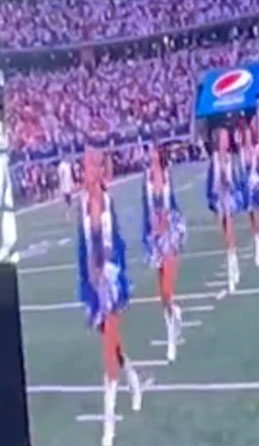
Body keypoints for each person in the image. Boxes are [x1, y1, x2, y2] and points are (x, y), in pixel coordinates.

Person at [76, 148, 142, 446]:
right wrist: (87, 282)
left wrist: (114, 274)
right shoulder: (80, 205)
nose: (88, 171)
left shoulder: (107, 201)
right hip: (93, 285)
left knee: (107, 351)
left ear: (100, 171)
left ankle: (108, 426)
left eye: (92, 166)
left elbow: (116, 243)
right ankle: (133, 379)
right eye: (85, 166)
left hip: (111, 282)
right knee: (113, 346)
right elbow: (82, 249)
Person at [141, 143, 186, 362]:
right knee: (163, 297)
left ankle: (171, 342)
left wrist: (176, 224)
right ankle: (174, 315)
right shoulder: (146, 179)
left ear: (159, 155)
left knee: (168, 290)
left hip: (170, 235)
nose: (149, 155)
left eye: (152, 151)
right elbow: (144, 210)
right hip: (154, 239)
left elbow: (174, 204)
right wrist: (146, 238)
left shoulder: (167, 177)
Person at [206, 127, 243, 292]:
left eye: (227, 138)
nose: (226, 141)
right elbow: (210, 180)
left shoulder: (230, 158)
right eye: (223, 138)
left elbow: (235, 179)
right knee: (224, 232)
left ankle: (232, 265)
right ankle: (232, 256)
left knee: (229, 225)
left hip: (228, 196)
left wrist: (231, 186)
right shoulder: (214, 159)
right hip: (217, 197)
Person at [240, 121, 259, 268]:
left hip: (255, 182)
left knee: (257, 210)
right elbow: (242, 167)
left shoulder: (255, 150)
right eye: (246, 137)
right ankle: (256, 235)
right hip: (246, 184)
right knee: (250, 212)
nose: (248, 139)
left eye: (250, 136)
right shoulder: (243, 152)